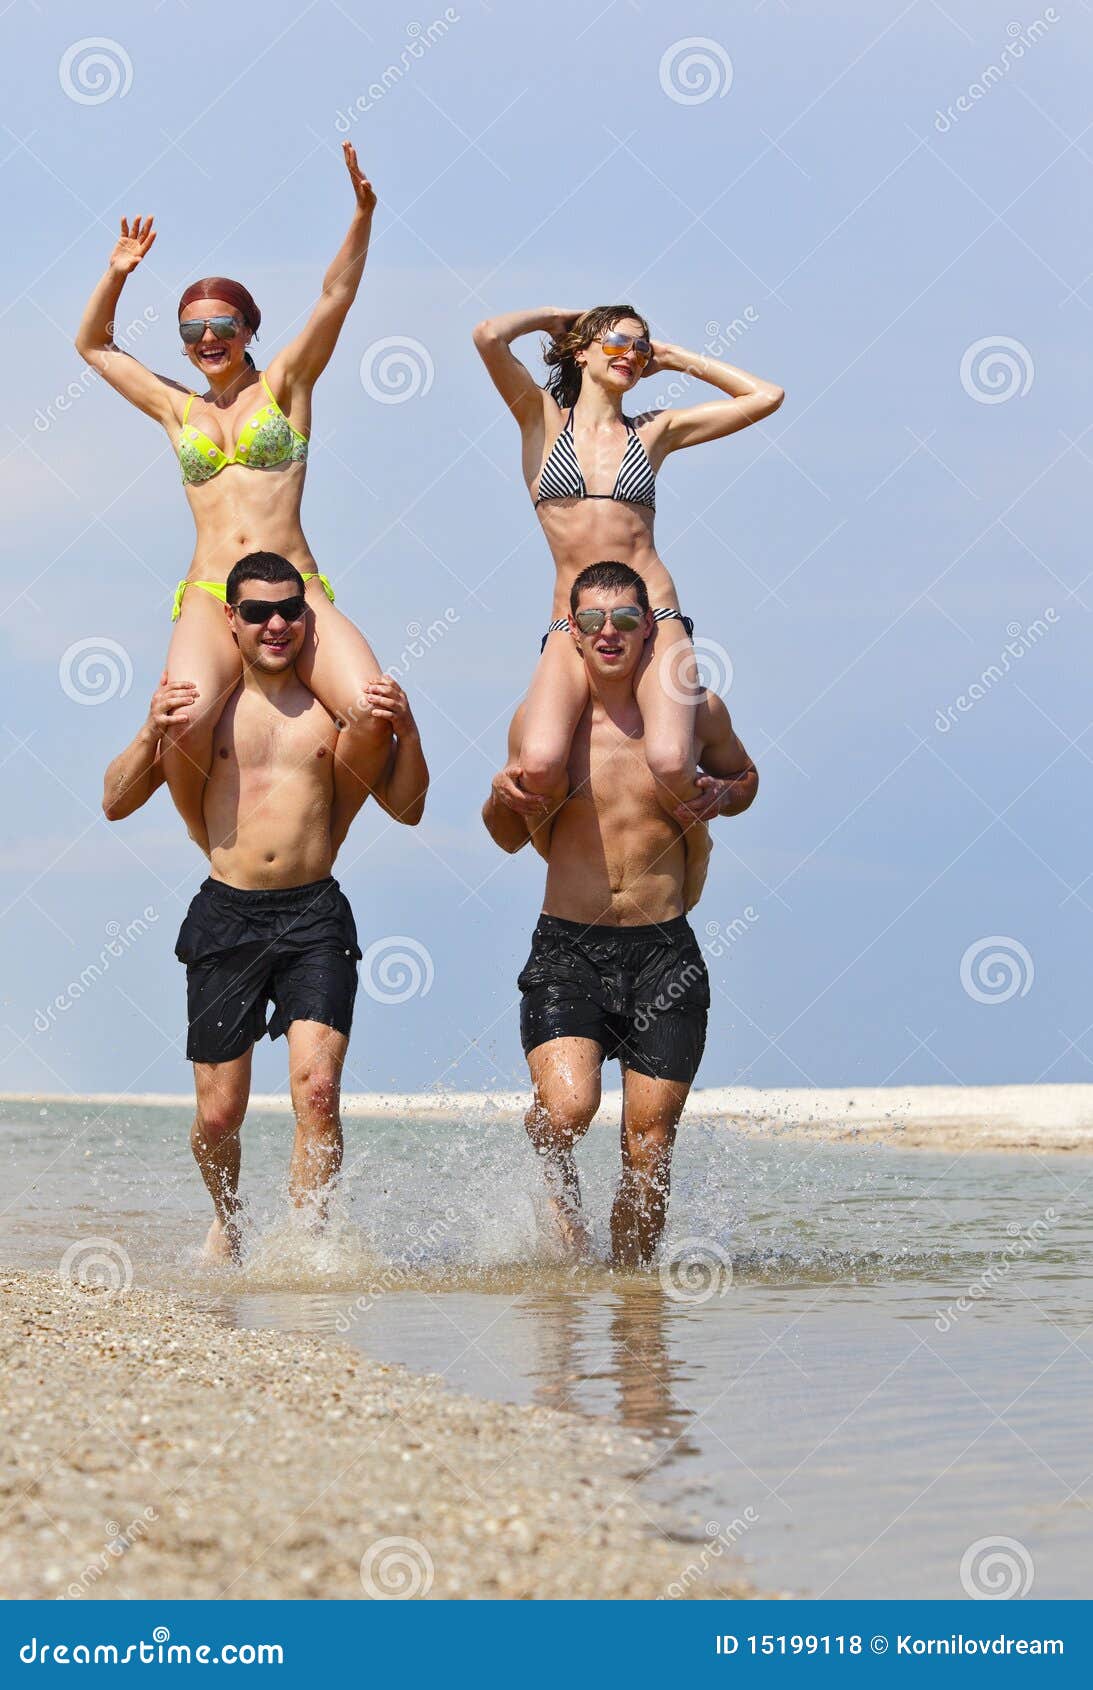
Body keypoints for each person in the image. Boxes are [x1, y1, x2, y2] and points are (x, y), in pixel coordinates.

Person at [102, 553, 429, 1264]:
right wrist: (147, 730)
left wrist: (410, 730)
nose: (275, 623)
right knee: (219, 1116)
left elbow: (407, 809)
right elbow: (114, 803)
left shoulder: (333, 714)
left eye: (289, 610)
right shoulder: (206, 715)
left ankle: (309, 1248)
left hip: (315, 916)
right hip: (227, 916)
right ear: (232, 620)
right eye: (256, 612)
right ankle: (228, 1218)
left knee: (318, 1093)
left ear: (306, 618)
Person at [76, 142, 391, 846]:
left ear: (250, 330)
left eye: (224, 325)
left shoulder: (284, 386)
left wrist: (363, 215)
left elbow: (335, 295)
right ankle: (207, 838)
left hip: (293, 586)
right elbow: (95, 346)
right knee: (183, 721)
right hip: (209, 593)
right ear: (185, 345)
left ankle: (324, 831)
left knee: (370, 712)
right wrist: (116, 273)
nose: (209, 337)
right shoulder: (176, 408)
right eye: (193, 331)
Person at [482, 561, 757, 1268]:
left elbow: (746, 777)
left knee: (650, 1144)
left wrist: (724, 797)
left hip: (664, 954)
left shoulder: (698, 713)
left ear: (649, 630)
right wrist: (500, 796)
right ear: (570, 633)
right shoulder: (545, 728)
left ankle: (633, 1303)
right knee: (569, 1113)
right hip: (566, 952)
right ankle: (553, 1179)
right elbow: (505, 836)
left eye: (626, 620)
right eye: (593, 621)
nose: (610, 634)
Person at [472, 303, 780, 818]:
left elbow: (766, 397)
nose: (633, 355)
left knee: (669, 758)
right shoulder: (540, 418)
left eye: (641, 347)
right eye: (617, 342)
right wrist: (553, 317)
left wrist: (676, 358)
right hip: (574, 620)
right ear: (581, 351)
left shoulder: (653, 432)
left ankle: (704, 815)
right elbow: (487, 336)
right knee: (542, 761)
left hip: (653, 614)